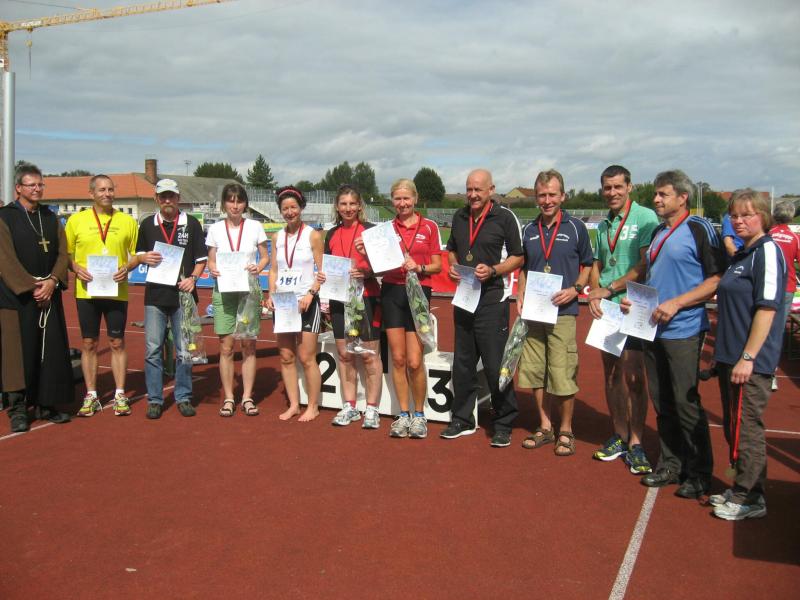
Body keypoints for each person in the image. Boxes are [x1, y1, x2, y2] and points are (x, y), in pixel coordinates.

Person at [623, 170, 725, 497]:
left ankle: (699, 473)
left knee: (685, 401)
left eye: (663, 194)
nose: (656, 199)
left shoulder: (698, 228)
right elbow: (654, 277)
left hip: (684, 328)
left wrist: (677, 303)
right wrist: (635, 300)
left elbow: (716, 279)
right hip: (652, 327)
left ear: (683, 198)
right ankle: (670, 464)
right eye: (655, 194)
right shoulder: (658, 232)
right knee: (663, 401)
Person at [710, 189, 786, 520]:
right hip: (730, 356)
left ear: (763, 217)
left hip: (749, 360)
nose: (739, 221)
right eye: (734, 215)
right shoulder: (743, 253)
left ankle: (751, 495)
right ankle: (741, 485)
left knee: (746, 427)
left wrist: (749, 356)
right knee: (734, 425)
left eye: (747, 215)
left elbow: (767, 309)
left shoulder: (767, 251)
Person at [442, 169, 523, 446]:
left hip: (492, 299)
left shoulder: (505, 217)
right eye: (469, 189)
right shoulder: (459, 216)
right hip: (465, 297)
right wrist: (454, 266)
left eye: (478, 189)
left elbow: (518, 257)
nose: (473, 195)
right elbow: (452, 249)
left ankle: (504, 421)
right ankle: (462, 418)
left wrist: (494, 270)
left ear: (491, 189)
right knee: (463, 362)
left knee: (495, 363)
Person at [587, 166, 660, 472]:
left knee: (634, 377)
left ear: (630, 187)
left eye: (618, 186)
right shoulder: (603, 224)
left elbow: (644, 264)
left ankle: (637, 442)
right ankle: (619, 433)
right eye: (607, 187)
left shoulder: (645, 217)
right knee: (612, 374)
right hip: (608, 308)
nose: (612, 192)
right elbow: (598, 264)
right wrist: (595, 294)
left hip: (634, 305)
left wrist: (610, 288)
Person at [516, 170, 593, 456]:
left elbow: (588, 265)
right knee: (535, 370)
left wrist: (575, 289)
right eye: (542, 195)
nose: (547, 200)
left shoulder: (576, 228)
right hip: (535, 311)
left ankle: (566, 430)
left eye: (552, 195)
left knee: (561, 371)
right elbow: (524, 267)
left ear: (563, 196)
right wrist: (520, 294)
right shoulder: (529, 229)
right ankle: (545, 426)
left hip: (563, 311)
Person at [0, 164, 73, 432]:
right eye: (32, 185)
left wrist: (52, 282)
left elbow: (63, 254)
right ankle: (18, 409)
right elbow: (5, 259)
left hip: (48, 295)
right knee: (17, 355)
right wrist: (33, 287)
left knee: (49, 351)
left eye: (40, 184)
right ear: (18, 188)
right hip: (16, 298)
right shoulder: (5, 217)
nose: (37, 189)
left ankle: (47, 403)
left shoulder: (50, 217)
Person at [129, 179, 207, 419]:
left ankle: (183, 396)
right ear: (157, 199)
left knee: (184, 350)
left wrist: (193, 279)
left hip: (183, 296)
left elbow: (201, 260)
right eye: (163, 196)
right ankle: (155, 399)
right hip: (155, 296)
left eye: (171, 196)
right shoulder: (147, 224)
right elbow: (138, 255)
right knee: (153, 350)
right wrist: (144, 258)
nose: (167, 200)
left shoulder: (191, 224)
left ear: (178, 198)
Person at [66, 175, 139, 417]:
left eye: (110, 189)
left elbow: (137, 254)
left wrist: (127, 268)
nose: (107, 194)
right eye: (102, 190)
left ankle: (120, 394)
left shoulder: (127, 221)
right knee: (89, 343)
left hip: (116, 290)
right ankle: (91, 395)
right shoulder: (76, 221)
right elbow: (65, 254)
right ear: (91, 194)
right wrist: (76, 268)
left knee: (117, 342)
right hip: (87, 291)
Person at [374, 179, 441, 438]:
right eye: (397, 199)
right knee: (398, 359)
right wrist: (366, 252)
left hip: (418, 293)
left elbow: (437, 265)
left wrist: (419, 267)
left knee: (414, 361)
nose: (402, 203)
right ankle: (403, 414)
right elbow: (378, 266)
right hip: (392, 293)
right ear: (392, 200)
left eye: (406, 198)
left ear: (415, 198)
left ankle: (420, 415)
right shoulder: (386, 229)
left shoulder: (429, 227)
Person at [322, 185, 384, 429]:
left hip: (367, 297)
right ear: (337, 207)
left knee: (369, 356)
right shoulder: (331, 234)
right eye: (343, 204)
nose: (348, 208)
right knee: (345, 355)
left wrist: (367, 271)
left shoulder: (371, 231)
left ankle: (372, 408)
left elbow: (386, 265)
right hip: (339, 299)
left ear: (359, 206)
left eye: (352, 204)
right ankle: (350, 406)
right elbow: (328, 267)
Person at [206, 184, 269, 417]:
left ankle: (247, 397)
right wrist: (213, 269)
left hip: (248, 292)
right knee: (226, 346)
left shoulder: (255, 227)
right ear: (224, 204)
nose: (235, 205)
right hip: (224, 291)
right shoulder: (215, 229)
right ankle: (229, 398)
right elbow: (211, 260)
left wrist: (258, 267)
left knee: (249, 345)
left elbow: (265, 257)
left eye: (239, 201)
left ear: (245, 204)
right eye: (230, 200)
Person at [266, 186, 324, 422]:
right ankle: (293, 404)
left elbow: (322, 272)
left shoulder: (313, 235)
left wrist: (311, 293)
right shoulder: (276, 237)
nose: (290, 212)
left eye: (293, 207)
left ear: (301, 208)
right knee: (286, 356)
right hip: (284, 303)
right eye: (285, 208)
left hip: (306, 302)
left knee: (307, 357)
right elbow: (274, 270)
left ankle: (313, 406)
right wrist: (271, 294)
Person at [768, 200, 799, 390]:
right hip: (787, 287)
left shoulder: (768, 235)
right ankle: (770, 372)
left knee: (760, 325)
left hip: (767, 287)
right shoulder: (795, 238)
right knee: (777, 330)